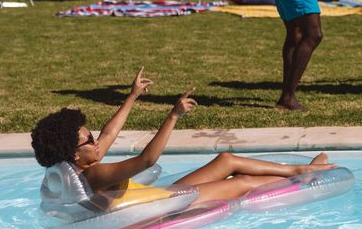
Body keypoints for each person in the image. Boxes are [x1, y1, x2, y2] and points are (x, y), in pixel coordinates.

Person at [30, 68, 332, 204]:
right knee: (239, 183)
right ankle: (301, 177)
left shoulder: (84, 162)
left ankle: (298, 169)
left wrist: (133, 95)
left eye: (91, 135)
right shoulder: (94, 176)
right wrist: (173, 116)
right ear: (75, 154)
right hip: (168, 203)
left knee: (225, 160)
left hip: (162, 196)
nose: (97, 141)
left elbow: (110, 131)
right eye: (89, 140)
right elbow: (147, 160)